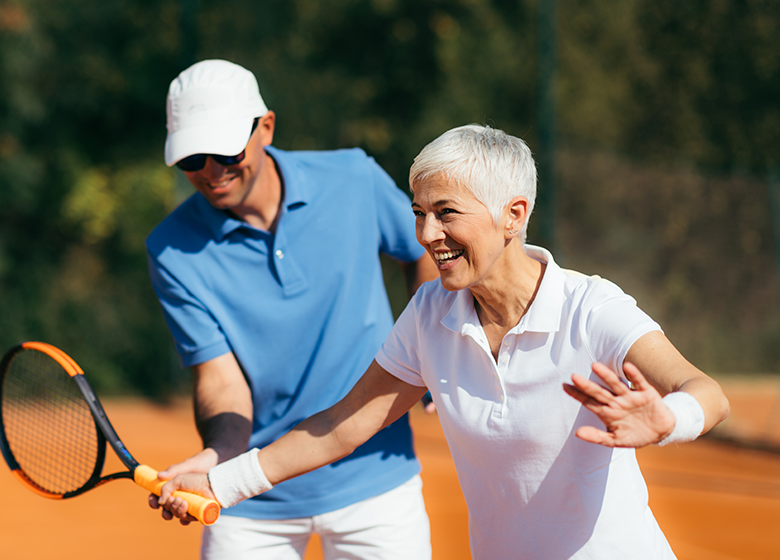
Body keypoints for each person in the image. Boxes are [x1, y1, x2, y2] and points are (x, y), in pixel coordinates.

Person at [156, 124, 731, 560]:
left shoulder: (590, 307)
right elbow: (343, 424)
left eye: (446, 213)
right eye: (419, 213)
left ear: (513, 215)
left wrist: (667, 421)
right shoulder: (432, 314)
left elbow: (704, 391)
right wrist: (221, 482)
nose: (427, 236)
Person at [145, 59, 438, 559]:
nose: (211, 173)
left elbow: (424, 252)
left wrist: (431, 347)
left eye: (224, 150)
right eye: (193, 159)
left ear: (266, 127)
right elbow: (219, 379)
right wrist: (220, 455)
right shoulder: (171, 248)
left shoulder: (353, 177)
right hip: (250, 496)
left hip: (376, 476)